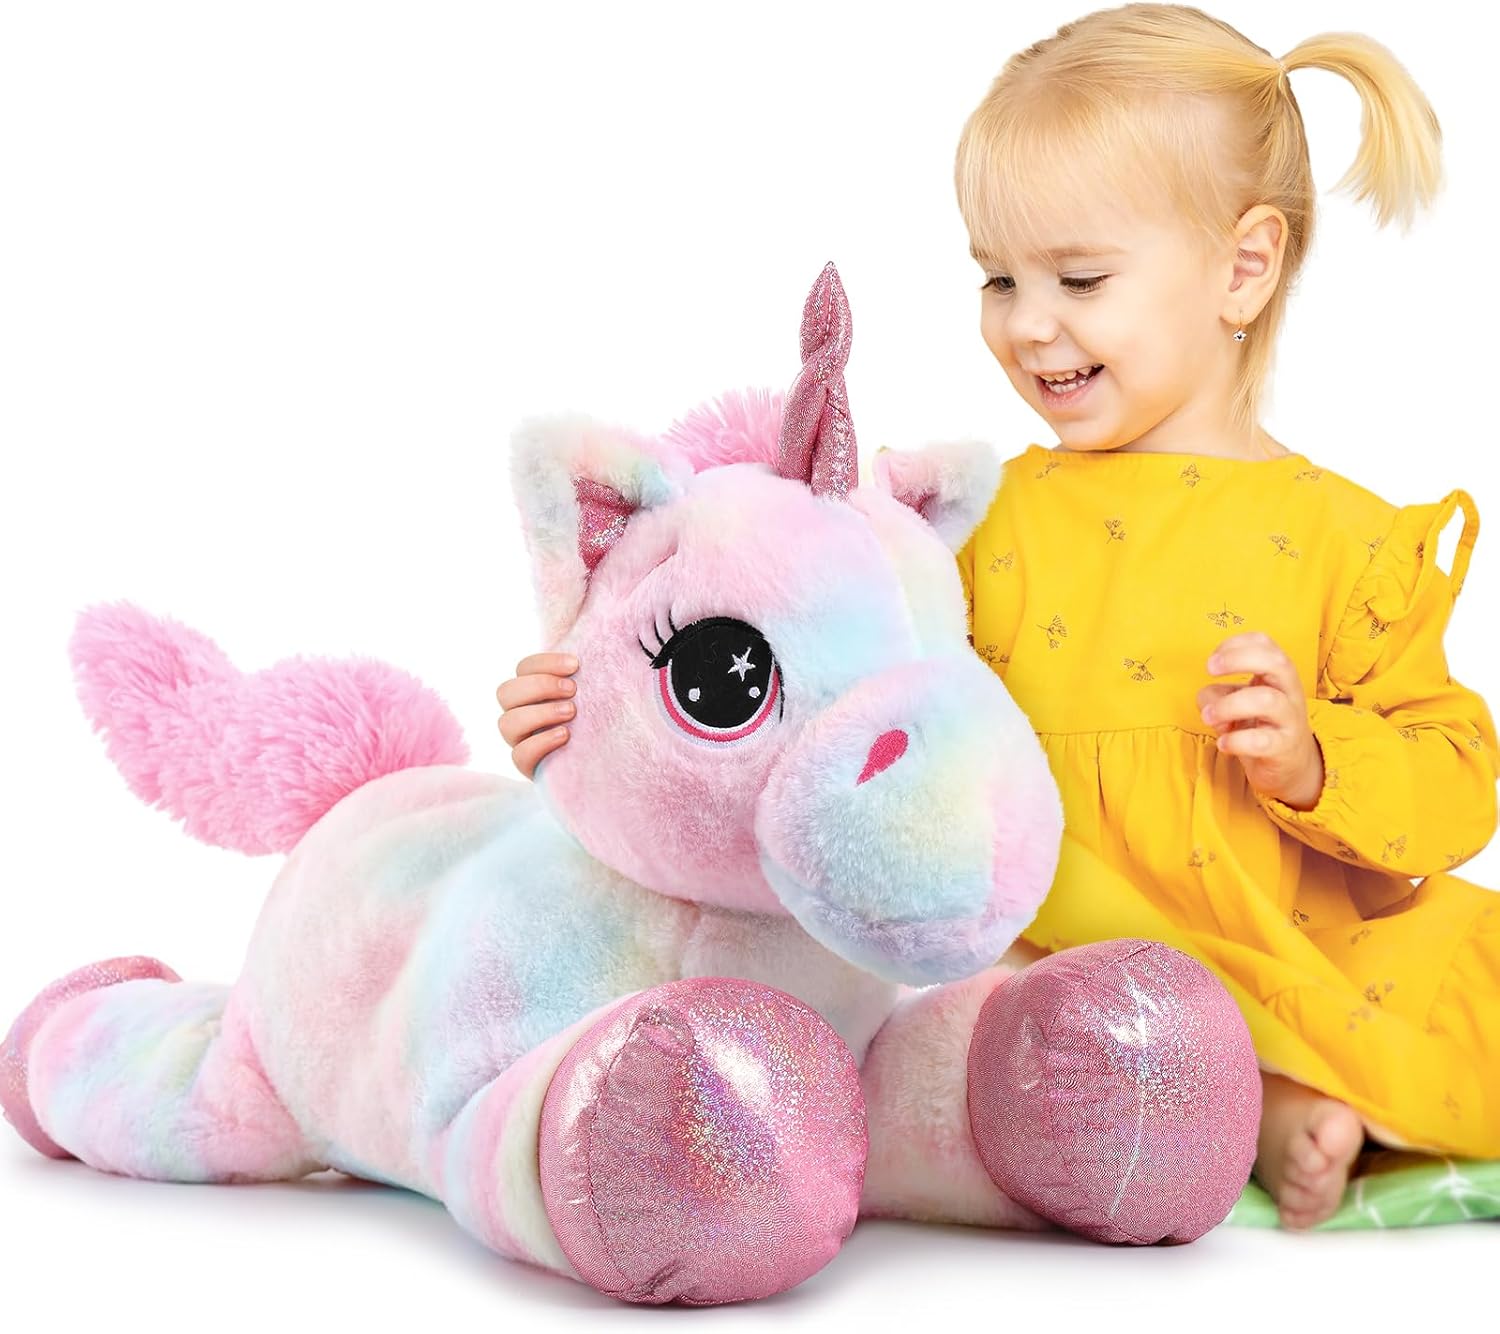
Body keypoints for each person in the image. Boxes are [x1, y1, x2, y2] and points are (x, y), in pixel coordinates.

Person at [494, 2, 1499, 1230]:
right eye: (998, 277)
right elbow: (797, 654)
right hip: (1035, 959)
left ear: (1243, 267)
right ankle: (1220, 1102)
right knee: (972, 1027)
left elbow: (1456, 780)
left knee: (1456, 1001)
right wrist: (605, 700)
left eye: (1080, 279)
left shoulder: (1350, 545)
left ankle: (1273, 1092)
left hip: (1281, 951)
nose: (1027, 322)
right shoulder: (966, 526)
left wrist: (1315, 760)